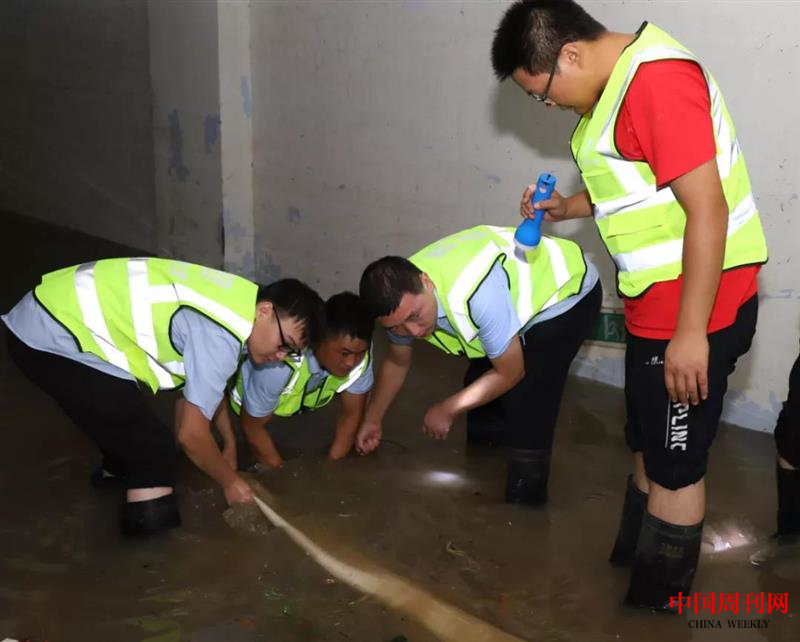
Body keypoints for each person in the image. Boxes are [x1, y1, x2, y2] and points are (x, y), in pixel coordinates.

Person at [492, 0, 768, 610]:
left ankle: (654, 612)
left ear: (570, 55)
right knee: (648, 444)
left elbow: (707, 208)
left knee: (675, 466)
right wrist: (568, 207)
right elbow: (639, 181)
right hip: (656, 307)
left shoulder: (657, 81)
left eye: (542, 94)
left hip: (698, 307)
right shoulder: (615, 92)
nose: (548, 106)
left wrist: (691, 333)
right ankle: (630, 575)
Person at [1, 257, 323, 537]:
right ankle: (146, 563)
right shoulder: (222, 334)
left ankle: (115, 477)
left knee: (129, 421)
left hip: (46, 317)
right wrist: (231, 482)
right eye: (285, 344)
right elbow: (190, 435)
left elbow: (201, 391)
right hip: (52, 337)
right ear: (265, 311)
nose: (280, 356)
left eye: (292, 353)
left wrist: (228, 442)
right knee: (155, 452)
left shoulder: (237, 302)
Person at [356, 224, 601, 506]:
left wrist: (448, 408)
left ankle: (525, 502)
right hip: (505, 300)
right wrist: (372, 420)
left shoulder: (475, 295)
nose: (412, 331)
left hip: (566, 294)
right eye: (397, 327)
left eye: (415, 316)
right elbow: (397, 361)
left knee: (527, 397)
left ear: (427, 282)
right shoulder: (398, 300)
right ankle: (486, 468)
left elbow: (511, 372)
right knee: (479, 385)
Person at [225, 292, 374, 466]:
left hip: (292, 404)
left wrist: (331, 468)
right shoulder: (279, 363)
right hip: (241, 407)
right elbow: (252, 427)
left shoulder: (360, 356)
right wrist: (281, 474)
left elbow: (352, 416)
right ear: (320, 338)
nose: (351, 362)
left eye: (360, 353)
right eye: (344, 353)